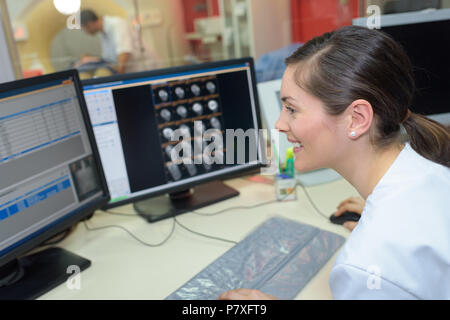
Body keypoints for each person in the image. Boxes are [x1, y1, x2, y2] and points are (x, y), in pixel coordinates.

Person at [219, 25, 450, 300]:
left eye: (292, 109)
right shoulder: (432, 173)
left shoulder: (364, 266)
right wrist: (381, 215)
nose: (279, 125)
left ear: (357, 119)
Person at [79, 9, 160, 74]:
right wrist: (92, 59)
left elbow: (124, 53)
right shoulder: (102, 32)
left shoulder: (117, 24)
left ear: (89, 24)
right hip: (131, 71)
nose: (85, 32)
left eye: (83, 28)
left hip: (144, 69)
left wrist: (118, 78)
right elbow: (109, 59)